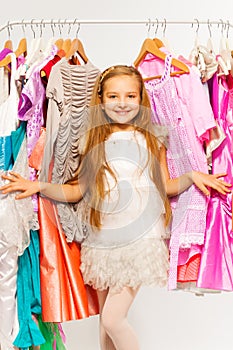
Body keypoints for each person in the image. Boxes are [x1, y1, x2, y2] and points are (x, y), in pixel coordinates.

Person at [0, 65, 231, 350]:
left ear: (140, 98)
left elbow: (163, 186)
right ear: (102, 98)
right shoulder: (94, 139)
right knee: (104, 326)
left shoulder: (152, 138)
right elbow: (77, 191)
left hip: (139, 242)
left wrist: (191, 177)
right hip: (101, 243)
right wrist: (39, 187)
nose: (122, 103)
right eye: (113, 96)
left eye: (130, 95)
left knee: (113, 319)